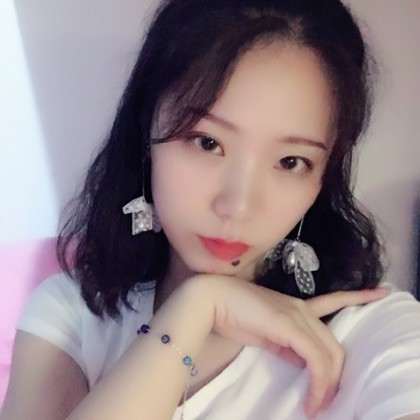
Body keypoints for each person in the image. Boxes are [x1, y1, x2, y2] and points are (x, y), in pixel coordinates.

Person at [2, 0, 420, 419]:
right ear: (147, 129)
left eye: (291, 162)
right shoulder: (73, 316)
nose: (237, 206)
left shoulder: (374, 332)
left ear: (323, 176)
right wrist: (199, 306)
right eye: (207, 143)